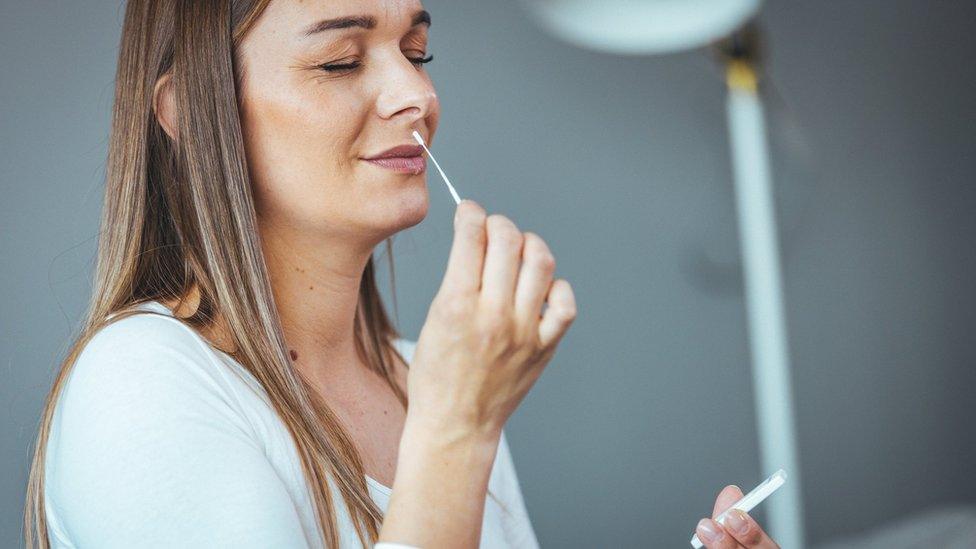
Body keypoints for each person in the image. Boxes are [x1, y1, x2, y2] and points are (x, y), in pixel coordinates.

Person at [23, 1, 776, 548]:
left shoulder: (429, 376)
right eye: (340, 61)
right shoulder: (142, 382)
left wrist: (456, 417)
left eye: (417, 52)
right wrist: (458, 430)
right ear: (190, 109)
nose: (418, 96)